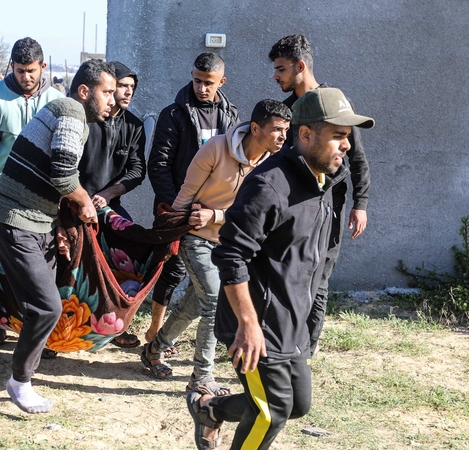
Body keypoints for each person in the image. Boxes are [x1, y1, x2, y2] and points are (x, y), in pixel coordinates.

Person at [187, 88, 374, 450]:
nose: (347, 146)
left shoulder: (324, 181)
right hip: (257, 323)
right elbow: (230, 255)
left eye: (347, 137)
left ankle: (210, 408)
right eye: (338, 135)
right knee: (271, 411)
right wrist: (248, 324)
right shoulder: (269, 185)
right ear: (305, 135)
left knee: (297, 405)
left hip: (292, 321)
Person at [0, 59, 116, 414]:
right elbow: (62, 173)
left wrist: (59, 220)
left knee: (41, 306)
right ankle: (19, 381)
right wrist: (84, 204)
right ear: (86, 91)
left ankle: (23, 374)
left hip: (36, 221)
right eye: (107, 92)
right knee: (47, 308)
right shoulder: (72, 110)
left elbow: (53, 175)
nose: (113, 100)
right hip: (17, 221)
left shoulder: (70, 112)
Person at [142, 100, 291, 397]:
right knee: (213, 302)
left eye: (286, 130)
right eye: (277, 130)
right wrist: (174, 232)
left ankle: (154, 350)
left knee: (194, 304)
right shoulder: (215, 148)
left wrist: (217, 215)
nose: (283, 137)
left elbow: (255, 210)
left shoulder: (274, 162)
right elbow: (186, 196)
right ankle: (201, 376)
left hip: (231, 243)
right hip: (196, 236)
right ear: (256, 128)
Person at [269, 34, 371, 356]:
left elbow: (357, 158)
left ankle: (306, 352)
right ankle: (284, 342)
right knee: (290, 273)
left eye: (281, 69)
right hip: (294, 208)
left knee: (320, 276)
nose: (276, 76)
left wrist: (361, 203)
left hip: (332, 207)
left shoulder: (336, 105)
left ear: (301, 66)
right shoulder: (285, 112)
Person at [146, 52, 238, 351]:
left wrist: (218, 210)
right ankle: (155, 331)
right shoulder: (173, 114)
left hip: (213, 215)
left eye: (208, 83)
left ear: (221, 81)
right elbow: (158, 165)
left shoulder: (231, 116)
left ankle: (164, 340)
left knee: (208, 284)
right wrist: (177, 206)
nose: (201, 88)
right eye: (197, 81)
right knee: (172, 270)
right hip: (177, 209)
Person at [0, 37, 64, 348]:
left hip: (41, 195)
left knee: (39, 262)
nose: (25, 77)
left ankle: (36, 330)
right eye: (19, 70)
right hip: (0, 188)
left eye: (31, 71)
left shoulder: (56, 99)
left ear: (43, 67)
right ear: (10, 67)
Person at [75, 61, 147, 349]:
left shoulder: (134, 125)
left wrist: (109, 193)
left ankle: (116, 323)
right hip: (73, 204)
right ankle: (61, 330)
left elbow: (137, 170)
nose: (128, 92)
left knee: (135, 253)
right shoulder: (85, 119)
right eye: (122, 86)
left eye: (132, 87)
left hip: (109, 207)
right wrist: (80, 197)